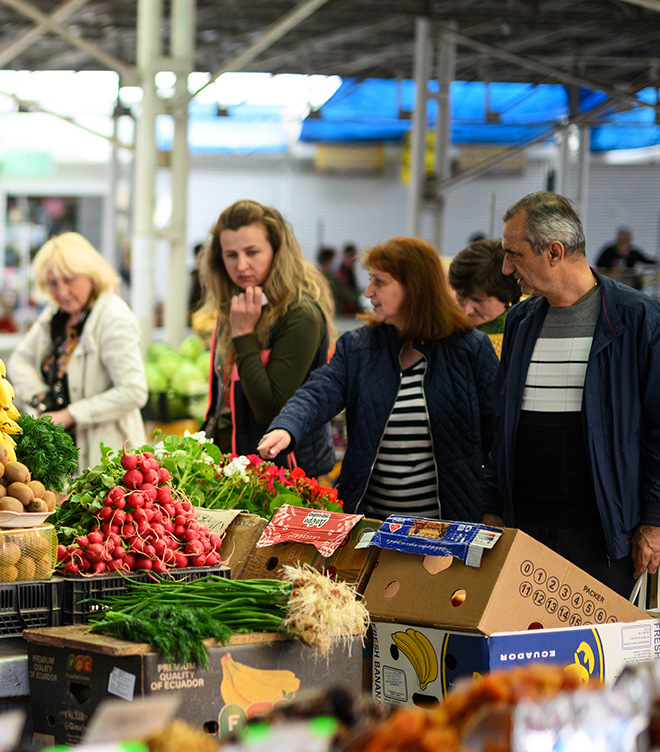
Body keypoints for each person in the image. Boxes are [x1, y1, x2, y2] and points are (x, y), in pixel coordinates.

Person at [485, 192, 660, 590]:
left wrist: (658, 520)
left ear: (554, 252)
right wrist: (493, 506)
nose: (506, 268)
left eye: (514, 254)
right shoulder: (521, 321)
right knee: (531, 650)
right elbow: (501, 420)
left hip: (602, 539)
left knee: (598, 651)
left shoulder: (635, 319)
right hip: (528, 534)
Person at [258, 237, 496, 520]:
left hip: (444, 528)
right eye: (369, 280)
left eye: (379, 282)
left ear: (415, 287)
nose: (368, 292)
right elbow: (319, 391)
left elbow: (498, 434)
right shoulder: (358, 347)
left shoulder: (469, 348)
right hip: (371, 524)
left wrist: (492, 507)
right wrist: (287, 427)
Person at [199, 200, 336, 472]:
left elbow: (271, 410)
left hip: (288, 473)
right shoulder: (236, 306)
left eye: (252, 252)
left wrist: (243, 335)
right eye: (231, 255)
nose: (242, 265)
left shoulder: (300, 314)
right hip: (236, 466)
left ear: (276, 251)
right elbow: (221, 400)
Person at [6, 232, 147, 471]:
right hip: (62, 459)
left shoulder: (114, 318)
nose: (61, 292)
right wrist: (41, 397)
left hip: (108, 460)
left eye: (69, 280)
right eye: (53, 283)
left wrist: (71, 414)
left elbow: (134, 391)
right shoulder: (56, 316)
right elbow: (21, 360)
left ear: (91, 274)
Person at [448, 238, 520, 357]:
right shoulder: (444, 331)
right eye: (461, 295)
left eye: (478, 300)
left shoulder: (521, 340)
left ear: (508, 297)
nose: (466, 310)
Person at [596, 227, 660, 277]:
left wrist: (659, 263)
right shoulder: (609, 252)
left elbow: (645, 260)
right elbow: (599, 265)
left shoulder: (633, 253)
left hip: (628, 282)